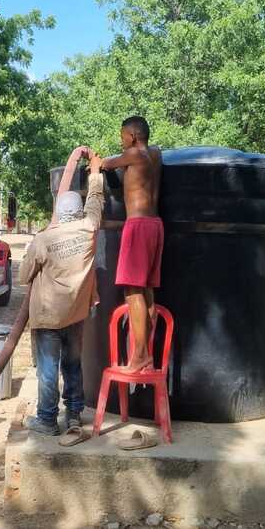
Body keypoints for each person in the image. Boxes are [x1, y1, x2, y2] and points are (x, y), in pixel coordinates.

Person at [20, 151, 104, 444]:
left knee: (47, 369)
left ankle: (46, 419)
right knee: (73, 364)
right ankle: (73, 414)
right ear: (78, 213)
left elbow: (23, 276)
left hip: (48, 316)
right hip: (76, 313)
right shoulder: (89, 229)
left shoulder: (44, 239)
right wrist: (95, 174)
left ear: (59, 211)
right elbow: (95, 204)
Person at [91, 116, 163, 373]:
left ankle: (140, 357)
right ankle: (147, 356)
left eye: (122, 136)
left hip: (138, 225)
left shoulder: (133, 154)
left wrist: (95, 161)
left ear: (132, 136)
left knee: (132, 292)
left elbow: (103, 164)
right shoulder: (156, 155)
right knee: (146, 291)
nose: (121, 141)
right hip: (156, 225)